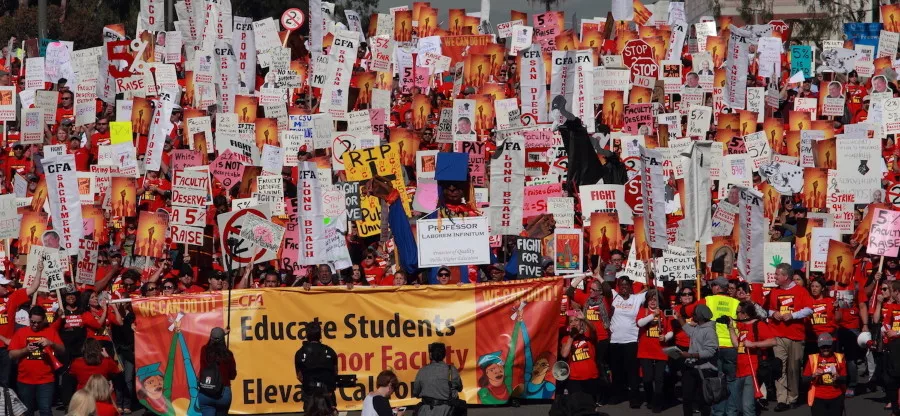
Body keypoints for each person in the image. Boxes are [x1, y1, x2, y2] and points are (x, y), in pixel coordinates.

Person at [9, 306, 66, 416]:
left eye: (38, 322)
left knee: (45, 411)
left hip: (46, 380)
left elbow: (63, 350)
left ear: (44, 320)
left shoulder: (51, 331)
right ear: (29, 319)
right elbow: (11, 355)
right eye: (32, 322)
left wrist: (51, 343)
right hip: (24, 381)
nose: (35, 325)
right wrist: (26, 350)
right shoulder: (21, 332)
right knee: (28, 412)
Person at [729, 300, 776, 416]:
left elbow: (773, 341)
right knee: (737, 406)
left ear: (745, 314)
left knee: (747, 407)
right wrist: (730, 328)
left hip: (752, 370)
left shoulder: (759, 325)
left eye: (738, 312)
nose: (736, 315)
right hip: (740, 370)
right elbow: (737, 345)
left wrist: (753, 344)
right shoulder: (743, 326)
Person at [608, 276, 648, 407]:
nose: (624, 287)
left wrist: (650, 276)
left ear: (631, 286)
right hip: (615, 341)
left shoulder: (637, 298)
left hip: (631, 341)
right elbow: (604, 286)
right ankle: (617, 395)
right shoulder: (614, 296)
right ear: (618, 286)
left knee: (632, 371)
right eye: (621, 285)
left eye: (626, 284)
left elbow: (652, 291)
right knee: (616, 370)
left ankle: (634, 398)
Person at [676, 304, 719, 416]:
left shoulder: (709, 331)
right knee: (687, 397)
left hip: (704, 370)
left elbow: (710, 352)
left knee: (703, 399)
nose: (692, 316)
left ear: (700, 316)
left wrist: (690, 355)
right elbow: (689, 331)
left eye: (694, 314)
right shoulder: (698, 327)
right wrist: (679, 317)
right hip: (691, 367)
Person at [705, 277, 739, 416]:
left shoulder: (709, 300)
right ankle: (731, 412)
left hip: (716, 346)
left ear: (718, 288)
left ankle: (719, 412)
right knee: (732, 381)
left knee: (717, 381)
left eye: (713, 285)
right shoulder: (735, 302)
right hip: (732, 345)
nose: (711, 288)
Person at [635, 292, 672, 413]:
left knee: (659, 378)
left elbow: (670, 331)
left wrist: (665, 337)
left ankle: (658, 402)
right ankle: (649, 398)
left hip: (661, 351)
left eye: (655, 300)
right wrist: (653, 315)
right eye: (650, 299)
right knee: (647, 378)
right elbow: (639, 323)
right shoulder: (643, 311)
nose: (652, 302)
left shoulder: (664, 313)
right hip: (645, 351)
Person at [295, 321, 339, 412]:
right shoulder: (330, 351)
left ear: (306, 335)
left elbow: (299, 376)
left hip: (310, 395)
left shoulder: (300, 353)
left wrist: (312, 384)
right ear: (320, 335)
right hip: (328, 394)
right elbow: (335, 373)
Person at [412, 342, 462, 416]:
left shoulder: (422, 371)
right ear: (444, 355)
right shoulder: (451, 370)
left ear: (430, 354)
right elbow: (460, 388)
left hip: (426, 412)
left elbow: (416, 392)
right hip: (448, 411)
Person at [802, 333, 847, 416]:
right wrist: (814, 375)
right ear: (819, 347)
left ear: (832, 346)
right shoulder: (812, 359)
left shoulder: (839, 358)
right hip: (818, 398)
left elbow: (846, 379)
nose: (826, 349)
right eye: (823, 347)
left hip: (836, 397)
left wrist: (838, 377)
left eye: (828, 346)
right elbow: (804, 380)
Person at [198, 327, 236, 416]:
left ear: (211, 338)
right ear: (222, 339)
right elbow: (232, 375)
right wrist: (222, 335)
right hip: (223, 394)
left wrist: (221, 334)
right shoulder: (228, 354)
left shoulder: (204, 350)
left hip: (206, 392)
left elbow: (212, 344)